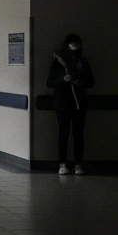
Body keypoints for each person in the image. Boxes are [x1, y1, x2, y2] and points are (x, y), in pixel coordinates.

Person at [47, 33, 95, 175]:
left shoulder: (83, 63)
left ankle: (78, 164)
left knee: (78, 134)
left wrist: (80, 81)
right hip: (62, 103)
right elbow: (50, 82)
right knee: (64, 133)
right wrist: (64, 80)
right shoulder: (58, 63)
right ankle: (63, 164)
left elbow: (92, 82)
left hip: (80, 102)